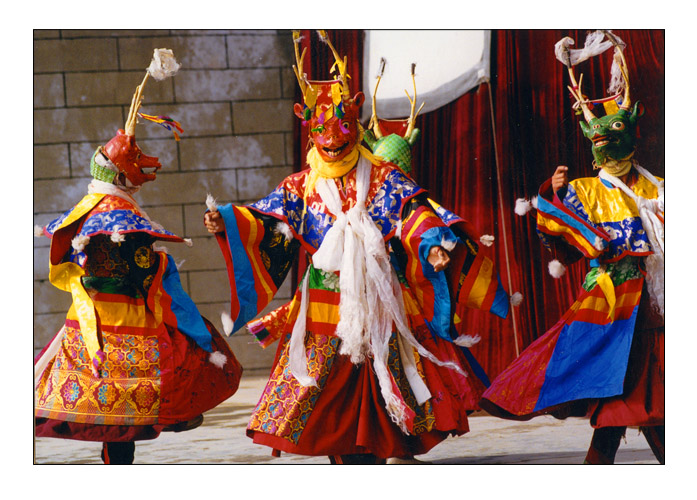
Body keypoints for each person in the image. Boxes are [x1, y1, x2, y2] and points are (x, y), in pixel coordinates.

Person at [204, 30, 509, 464]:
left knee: (383, 371)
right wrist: (227, 221)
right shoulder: (301, 185)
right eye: (323, 136)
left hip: (378, 293)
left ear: (356, 127)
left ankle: (384, 446)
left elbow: (413, 211)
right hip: (324, 301)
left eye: (342, 133)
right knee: (326, 382)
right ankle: (342, 454)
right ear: (311, 133)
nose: (332, 144)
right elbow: (265, 219)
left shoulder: (382, 175)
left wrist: (431, 244)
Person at [34, 49, 242, 464]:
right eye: (136, 163)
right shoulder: (121, 214)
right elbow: (143, 267)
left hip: (90, 316)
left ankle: (115, 462)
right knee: (175, 363)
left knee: (106, 408)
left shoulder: (87, 206)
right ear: (120, 174)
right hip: (127, 319)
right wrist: (161, 263)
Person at [479, 31, 664, 464]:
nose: (606, 148)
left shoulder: (658, 187)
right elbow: (559, 236)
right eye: (599, 141)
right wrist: (554, 193)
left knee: (649, 394)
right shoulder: (585, 190)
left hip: (658, 306)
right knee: (624, 391)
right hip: (613, 304)